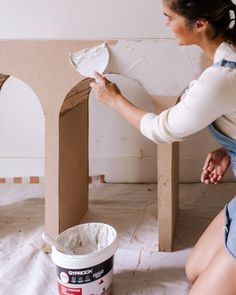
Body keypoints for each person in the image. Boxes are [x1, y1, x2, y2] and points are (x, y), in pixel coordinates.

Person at [90, 0, 236, 294]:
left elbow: (161, 129)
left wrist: (115, 100)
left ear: (200, 25)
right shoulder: (229, 52)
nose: (166, 24)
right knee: (194, 270)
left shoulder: (221, 77)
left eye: (169, 17)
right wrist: (228, 150)